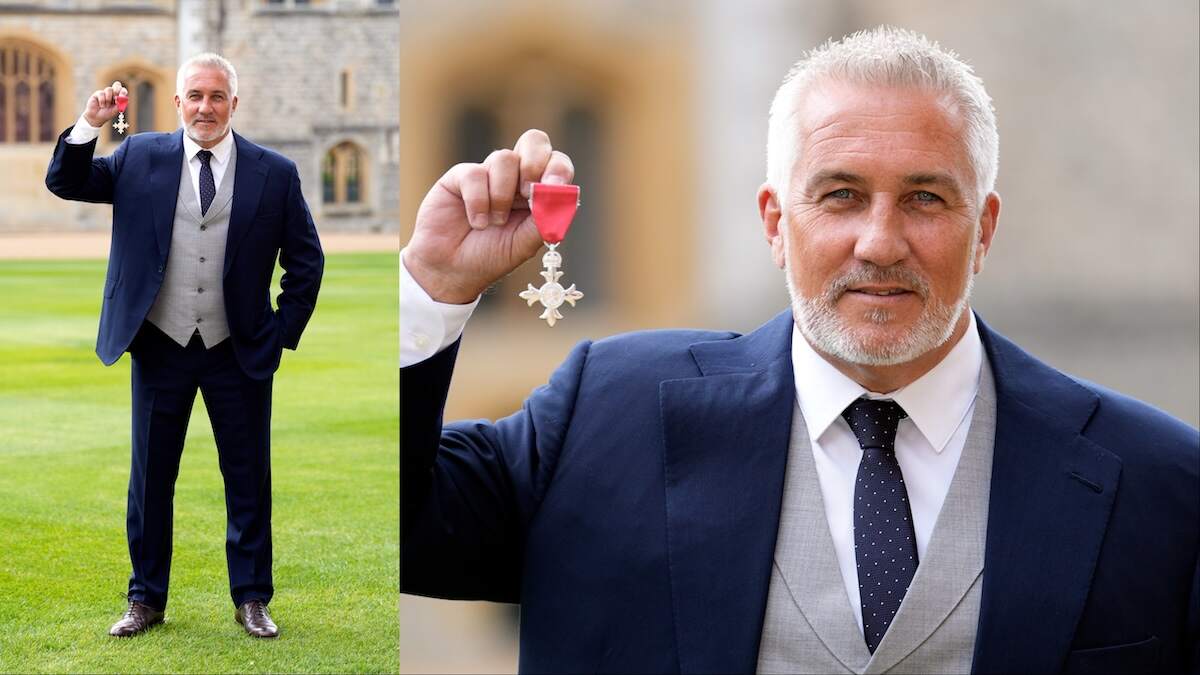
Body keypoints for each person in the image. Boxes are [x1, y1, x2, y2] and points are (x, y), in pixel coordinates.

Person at [400, 27, 1198, 673]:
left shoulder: (1161, 482)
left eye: (924, 198)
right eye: (841, 195)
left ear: (983, 229)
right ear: (776, 222)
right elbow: (386, 527)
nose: (880, 242)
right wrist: (431, 289)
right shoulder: (607, 415)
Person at [45, 53, 324, 639]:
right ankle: (145, 599)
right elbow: (67, 182)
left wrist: (280, 333)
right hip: (159, 343)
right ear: (177, 102)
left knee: (248, 479)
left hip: (238, 350)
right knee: (150, 481)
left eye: (217, 96)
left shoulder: (275, 172)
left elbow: (306, 260)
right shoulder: (138, 155)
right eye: (195, 95)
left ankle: (252, 598)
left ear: (233, 104)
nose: (205, 107)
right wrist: (89, 124)